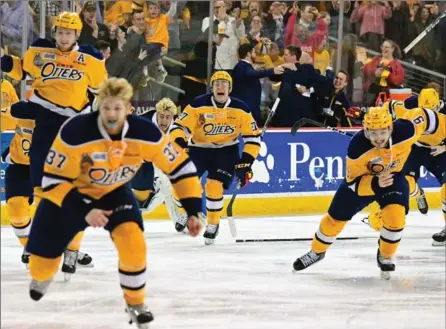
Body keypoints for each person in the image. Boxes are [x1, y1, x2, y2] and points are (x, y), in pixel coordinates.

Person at [26, 78, 203, 328]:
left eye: (117, 108)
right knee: (41, 268)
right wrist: (86, 209)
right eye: (106, 107)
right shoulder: (74, 131)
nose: (111, 114)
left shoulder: (145, 133)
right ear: (99, 107)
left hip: (114, 191)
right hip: (69, 194)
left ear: (129, 109)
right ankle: (42, 272)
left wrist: (194, 209)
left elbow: (181, 168)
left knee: (134, 243)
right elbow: (52, 180)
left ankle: (135, 302)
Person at [0, 11, 107, 276]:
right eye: (59, 31)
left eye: (68, 33)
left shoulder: (90, 59)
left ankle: (72, 247)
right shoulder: (40, 52)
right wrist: (3, 61)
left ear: (76, 34)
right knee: (42, 191)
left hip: (73, 127)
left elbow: (103, 90)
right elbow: (20, 68)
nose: (62, 36)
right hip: (45, 124)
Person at [293, 104, 444, 279]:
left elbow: (426, 117)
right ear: (366, 130)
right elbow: (352, 183)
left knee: (396, 218)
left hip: (392, 179)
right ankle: (317, 252)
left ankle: (385, 256)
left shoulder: (406, 130)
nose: (378, 138)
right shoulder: (357, 147)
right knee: (334, 220)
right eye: (373, 132)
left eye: (382, 132)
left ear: (390, 128)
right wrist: (375, 182)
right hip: (363, 183)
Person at [170, 71, 261, 245]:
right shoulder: (198, 104)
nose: (220, 87)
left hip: (226, 152)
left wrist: (246, 162)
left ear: (230, 88)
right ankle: (182, 212)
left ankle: (213, 224)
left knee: (214, 186)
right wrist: (181, 142)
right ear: (211, 88)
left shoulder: (241, 108)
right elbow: (178, 126)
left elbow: (253, 139)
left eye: (224, 84)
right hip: (198, 149)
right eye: (217, 84)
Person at [365, 89, 446, 246]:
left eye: (431, 110)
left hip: (440, 151)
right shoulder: (409, 105)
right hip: (415, 148)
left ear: (438, 105)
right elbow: (387, 108)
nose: (426, 114)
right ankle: (418, 194)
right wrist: (369, 113)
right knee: (406, 181)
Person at [130, 97, 187, 227]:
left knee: (167, 184)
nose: (164, 120)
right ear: (156, 114)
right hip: (142, 163)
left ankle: (181, 220)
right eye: (161, 116)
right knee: (160, 188)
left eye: (168, 117)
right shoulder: (144, 123)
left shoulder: (178, 125)